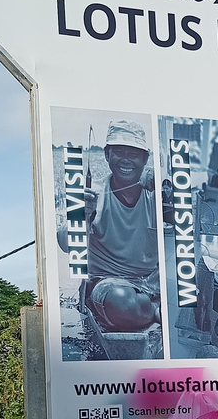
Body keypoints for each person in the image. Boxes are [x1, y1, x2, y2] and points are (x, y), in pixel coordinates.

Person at [84, 120, 160, 332]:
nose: (126, 160)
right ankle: (154, 309)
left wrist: (166, 183)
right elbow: (65, 242)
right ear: (107, 155)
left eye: (134, 154)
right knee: (122, 302)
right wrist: (82, 215)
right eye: (119, 152)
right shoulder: (93, 194)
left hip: (152, 281)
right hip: (111, 283)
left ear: (145, 159)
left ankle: (149, 306)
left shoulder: (156, 193)